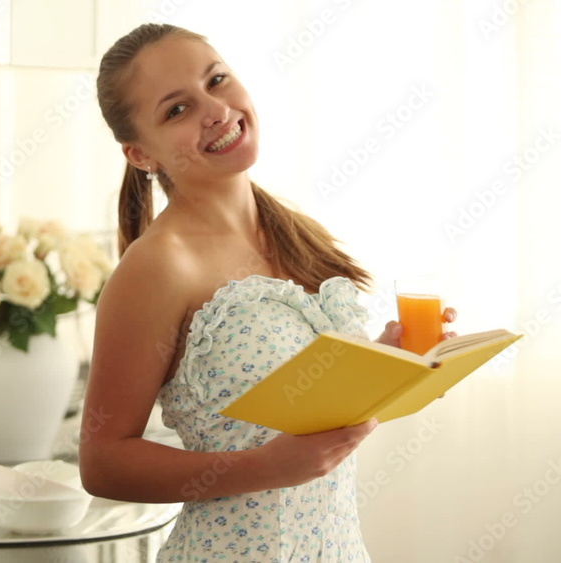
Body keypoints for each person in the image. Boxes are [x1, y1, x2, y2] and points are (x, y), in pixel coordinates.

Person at [79, 24, 456, 561]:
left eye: (216, 80)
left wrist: (397, 364)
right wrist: (265, 470)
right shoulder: (158, 268)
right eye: (177, 110)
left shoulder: (295, 232)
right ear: (141, 154)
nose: (215, 110)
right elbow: (102, 463)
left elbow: (315, 414)